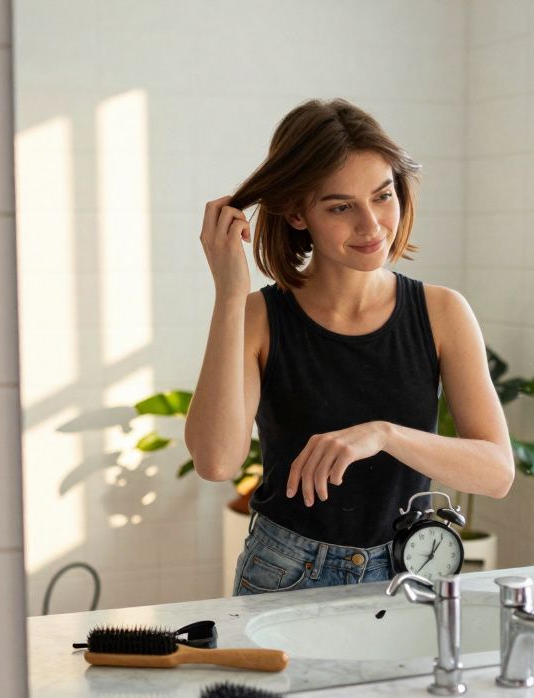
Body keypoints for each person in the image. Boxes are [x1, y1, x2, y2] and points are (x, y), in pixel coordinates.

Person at [185, 98, 514, 596]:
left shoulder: (442, 312)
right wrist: (230, 295)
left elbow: (496, 472)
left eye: (383, 196)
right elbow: (215, 462)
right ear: (297, 213)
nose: (372, 225)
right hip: (285, 572)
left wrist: (383, 435)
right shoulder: (258, 317)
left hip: (410, 572)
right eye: (341, 206)